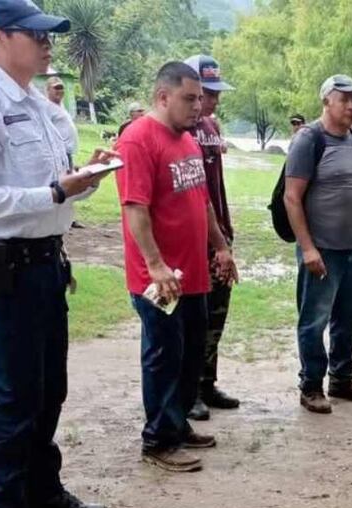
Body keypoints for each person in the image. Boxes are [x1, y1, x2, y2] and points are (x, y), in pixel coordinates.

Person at [0, 0, 115, 508]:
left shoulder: (41, 107)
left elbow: (54, 188)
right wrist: (56, 194)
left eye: (50, 36)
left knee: (50, 388)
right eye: (36, 34)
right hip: (5, 268)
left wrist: (83, 180)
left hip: (45, 261)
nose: (48, 45)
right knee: (16, 396)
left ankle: (43, 494)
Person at [115, 62, 238, 472]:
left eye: (200, 99)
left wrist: (221, 247)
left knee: (190, 353)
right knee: (164, 354)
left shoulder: (186, 140)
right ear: (162, 96)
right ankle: (159, 440)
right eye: (189, 98)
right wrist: (155, 265)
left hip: (193, 274)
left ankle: (179, 423)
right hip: (160, 279)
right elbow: (135, 209)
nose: (198, 107)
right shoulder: (138, 140)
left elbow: (201, 200)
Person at [285, 75, 352, 415]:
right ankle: (311, 385)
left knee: (349, 317)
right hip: (321, 249)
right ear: (326, 101)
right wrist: (308, 248)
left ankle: (341, 378)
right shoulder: (309, 140)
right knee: (314, 320)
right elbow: (292, 198)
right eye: (346, 100)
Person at [182, 54, 240, 422]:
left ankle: (207, 382)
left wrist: (225, 236)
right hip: (193, 241)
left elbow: (215, 186)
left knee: (216, 313)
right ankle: (187, 391)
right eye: (207, 92)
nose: (214, 99)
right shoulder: (180, 130)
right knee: (193, 317)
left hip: (219, 231)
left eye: (217, 92)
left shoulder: (211, 127)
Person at [43, 75, 76, 165]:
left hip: (67, 152)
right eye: (56, 88)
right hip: (58, 153)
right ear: (48, 90)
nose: (60, 91)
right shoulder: (46, 107)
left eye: (62, 88)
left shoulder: (60, 105)